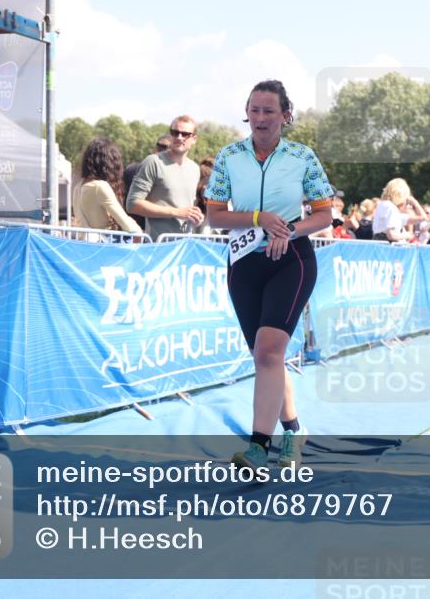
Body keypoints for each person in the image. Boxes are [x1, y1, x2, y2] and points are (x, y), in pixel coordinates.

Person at [204, 80, 334, 470]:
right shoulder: (229, 156)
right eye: (254, 110)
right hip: (244, 262)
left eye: (269, 111)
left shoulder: (302, 156)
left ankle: (259, 446)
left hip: (291, 258)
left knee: (270, 350)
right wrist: (260, 219)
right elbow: (214, 215)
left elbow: (325, 215)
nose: (260, 119)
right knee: (264, 357)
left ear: (285, 116)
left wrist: (287, 231)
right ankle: (293, 428)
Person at [126, 115, 203, 240]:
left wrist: (195, 217)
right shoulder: (153, 162)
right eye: (175, 133)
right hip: (158, 247)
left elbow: (186, 208)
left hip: (184, 247)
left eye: (185, 134)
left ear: (194, 138)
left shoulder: (194, 169)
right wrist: (176, 212)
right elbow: (132, 204)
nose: (179, 137)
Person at [73, 136, 142, 235]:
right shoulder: (100, 186)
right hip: (103, 245)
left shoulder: (78, 187)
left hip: (84, 245)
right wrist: (141, 233)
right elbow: (126, 222)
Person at [371, 178, 427, 242]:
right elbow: (391, 235)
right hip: (387, 247)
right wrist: (407, 235)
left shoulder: (383, 205)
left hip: (378, 243)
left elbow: (424, 218)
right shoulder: (391, 208)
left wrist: (414, 202)